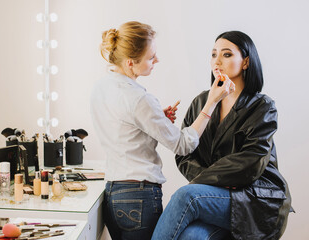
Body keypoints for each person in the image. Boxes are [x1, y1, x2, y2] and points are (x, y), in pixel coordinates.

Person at [90, 21, 234, 240]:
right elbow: (184, 145)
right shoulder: (140, 99)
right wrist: (211, 103)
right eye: (151, 57)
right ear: (130, 63)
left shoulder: (100, 89)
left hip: (113, 193)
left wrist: (156, 121)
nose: (156, 60)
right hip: (139, 196)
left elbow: (123, 130)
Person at [151, 30, 292, 240]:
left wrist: (202, 184)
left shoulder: (262, 106)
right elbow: (185, 154)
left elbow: (251, 161)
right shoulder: (201, 102)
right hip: (215, 195)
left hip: (254, 198)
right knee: (192, 236)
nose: (217, 61)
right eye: (213, 54)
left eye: (226, 55)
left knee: (186, 196)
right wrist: (208, 184)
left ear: (245, 62)